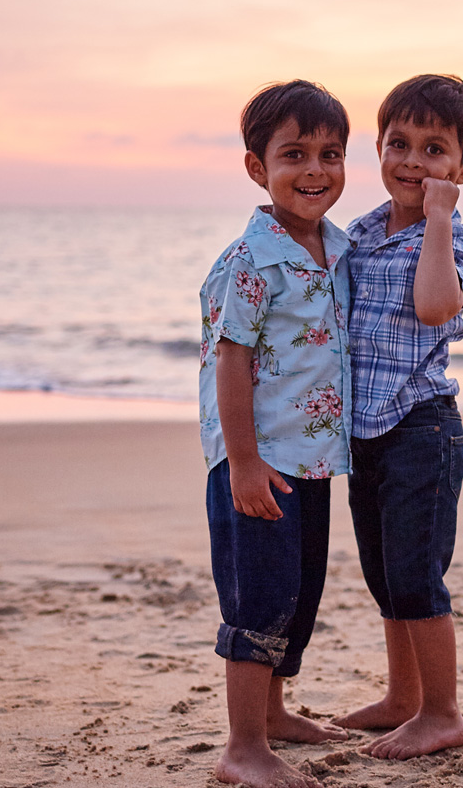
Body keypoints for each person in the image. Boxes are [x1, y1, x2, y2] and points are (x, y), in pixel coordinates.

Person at [198, 80, 355, 788]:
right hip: (258, 461)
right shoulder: (253, 261)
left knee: (298, 592)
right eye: (295, 154)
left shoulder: (334, 248)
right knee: (258, 599)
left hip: (313, 458)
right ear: (258, 168)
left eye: (331, 153)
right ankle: (243, 747)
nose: (316, 170)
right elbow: (231, 359)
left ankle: (276, 713)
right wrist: (242, 463)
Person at [335, 74, 463, 759]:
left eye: (434, 149)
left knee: (419, 575)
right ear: (378, 147)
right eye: (399, 143)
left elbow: (433, 307)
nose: (412, 161)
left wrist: (436, 218)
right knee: (384, 573)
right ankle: (402, 698)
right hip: (366, 432)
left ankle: (442, 711)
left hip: (422, 428)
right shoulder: (362, 233)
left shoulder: (455, 242)